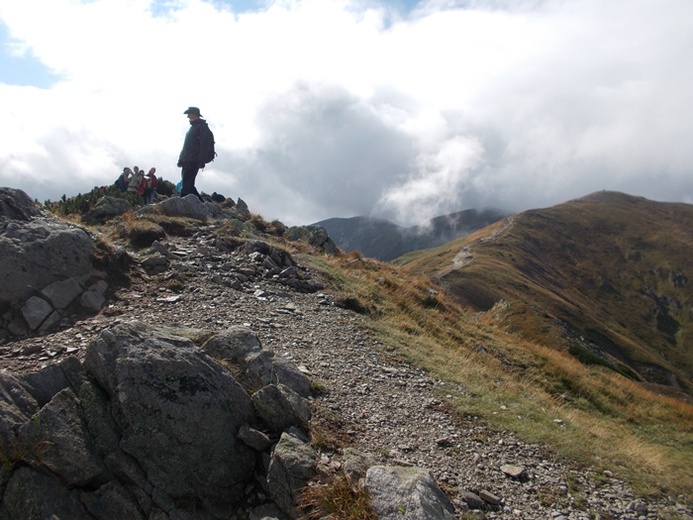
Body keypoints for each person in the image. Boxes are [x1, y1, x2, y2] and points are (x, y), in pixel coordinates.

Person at [177, 106, 213, 200]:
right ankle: (202, 205)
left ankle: (182, 204)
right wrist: (181, 159)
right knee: (189, 184)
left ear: (195, 115)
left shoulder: (202, 128)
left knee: (186, 183)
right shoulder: (193, 127)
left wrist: (201, 161)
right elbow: (186, 147)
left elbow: (204, 146)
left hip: (193, 160)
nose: (188, 117)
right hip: (187, 160)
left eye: (189, 114)